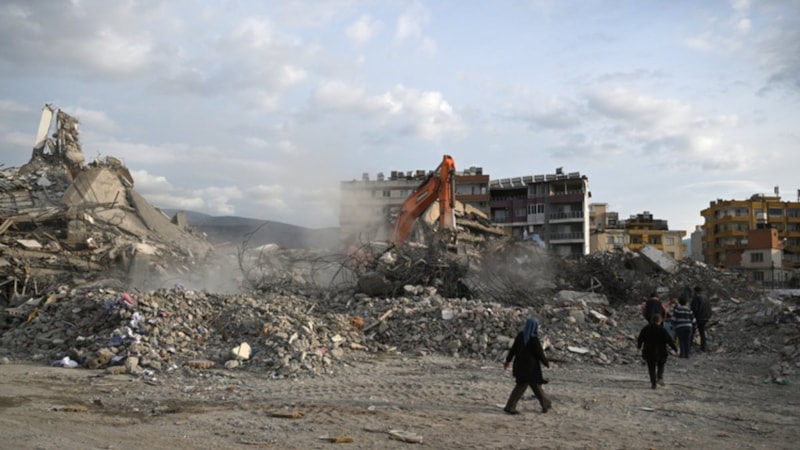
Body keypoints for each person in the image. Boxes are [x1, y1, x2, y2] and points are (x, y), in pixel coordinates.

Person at [502, 317, 551, 414]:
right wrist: (546, 363)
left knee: (534, 385)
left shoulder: (520, 336)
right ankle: (510, 407)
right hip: (531, 368)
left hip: (520, 366)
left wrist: (508, 361)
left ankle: (546, 404)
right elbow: (539, 353)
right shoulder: (533, 339)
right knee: (524, 386)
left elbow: (513, 350)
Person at [637, 313, 678, 389]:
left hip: (649, 350)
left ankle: (653, 383)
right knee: (661, 364)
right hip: (660, 351)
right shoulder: (662, 330)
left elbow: (640, 338)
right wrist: (675, 349)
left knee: (651, 367)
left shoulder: (646, 328)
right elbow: (669, 340)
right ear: (660, 321)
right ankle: (659, 377)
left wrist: (639, 347)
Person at [690, 286, 712, 352]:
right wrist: (708, 316)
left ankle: (689, 346)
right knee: (702, 333)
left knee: (691, 332)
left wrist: (692, 316)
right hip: (705, 318)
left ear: (695, 291)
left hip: (698, 318)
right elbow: (709, 308)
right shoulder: (706, 298)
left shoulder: (696, 298)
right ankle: (703, 347)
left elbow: (695, 309)